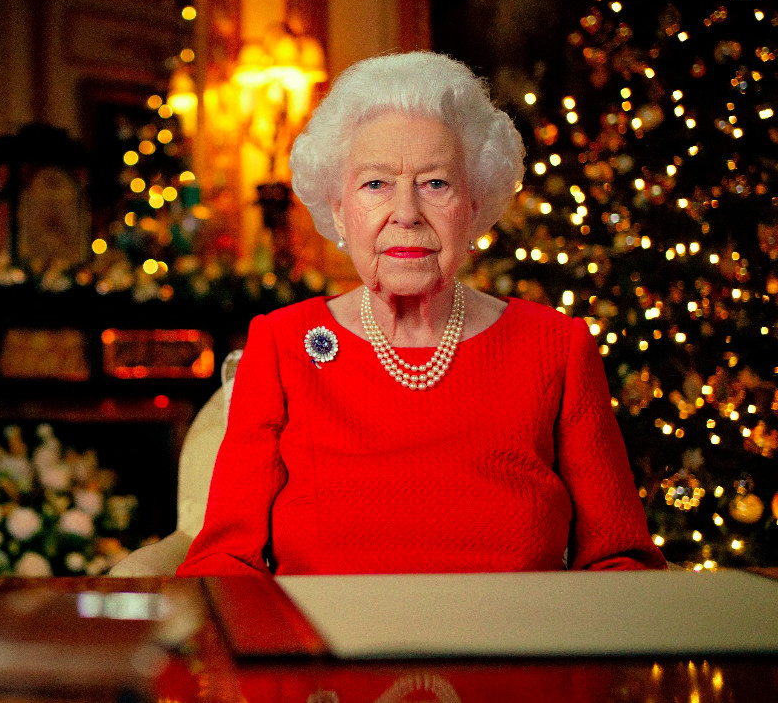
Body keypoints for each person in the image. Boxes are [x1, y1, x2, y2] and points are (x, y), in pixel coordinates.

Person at [177, 52, 667, 577]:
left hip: (512, 651)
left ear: (475, 204)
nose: (406, 213)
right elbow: (225, 562)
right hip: (327, 652)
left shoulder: (554, 346)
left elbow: (620, 559)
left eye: (436, 184)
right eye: (375, 184)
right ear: (339, 209)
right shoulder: (282, 344)